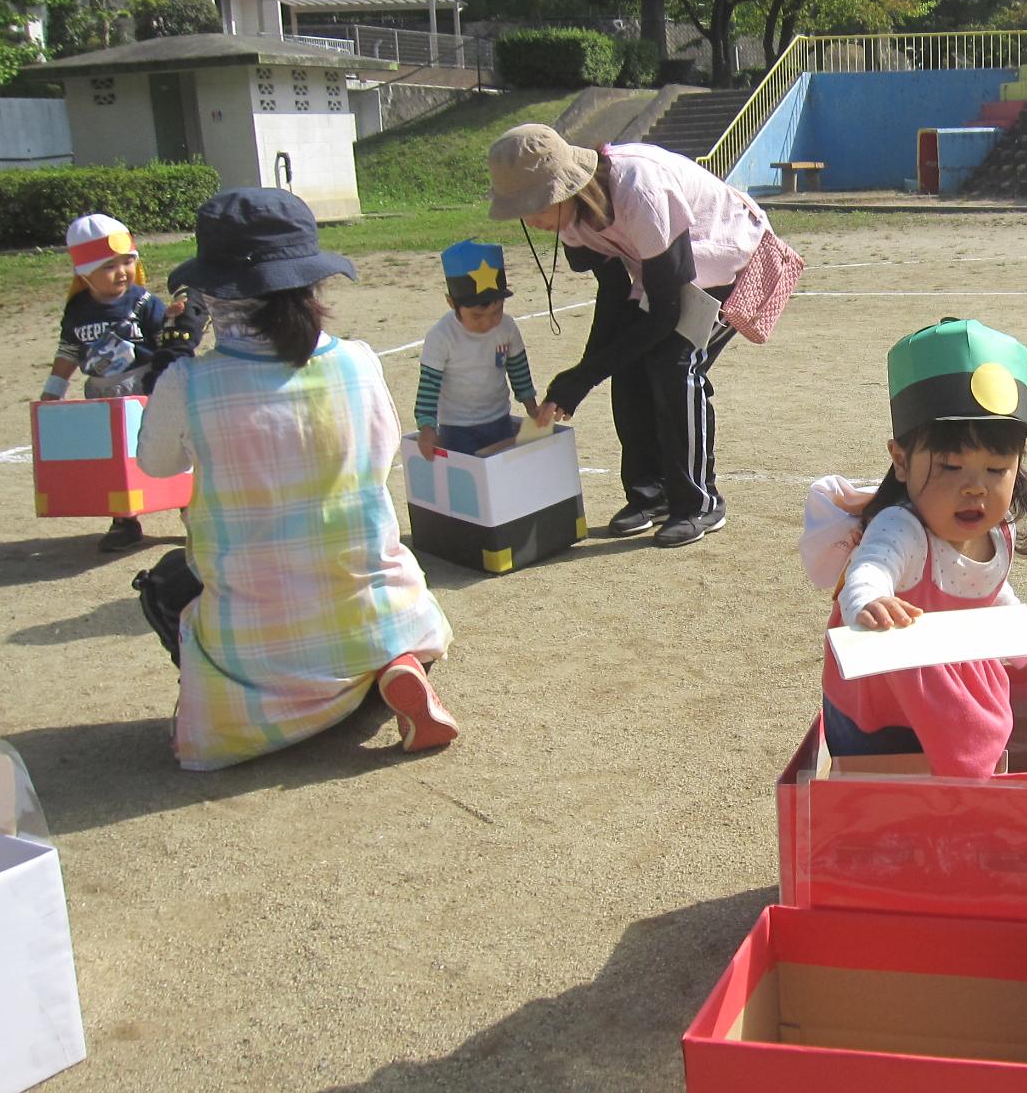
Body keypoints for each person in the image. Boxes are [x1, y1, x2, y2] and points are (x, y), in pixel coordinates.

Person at [135, 188, 457, 770]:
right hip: (386, 613)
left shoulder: (191, 382)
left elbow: (157, 467)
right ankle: (389, 671)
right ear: (312, 285)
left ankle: (245, 707)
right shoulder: (358, 360)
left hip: (264, 639)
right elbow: (381, 450)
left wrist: (171, 362)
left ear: (214, 294)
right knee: (361, 601)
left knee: (165, 584)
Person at [800, 318, 1027, 779]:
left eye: (996, 469)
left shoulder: (998, 532)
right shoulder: (903, 529)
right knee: (881, 788)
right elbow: (870, 568)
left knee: (945, 786)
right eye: (950, 466)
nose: (974, 489)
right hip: (880, 699)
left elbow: (991, 593)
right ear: (902, 461)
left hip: (947, 689)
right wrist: (870, 600)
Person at [487, 125, 765, 548]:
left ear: (566, 187)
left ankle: (699, 502)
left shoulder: (639, 190)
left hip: (730, 257)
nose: (532, 219)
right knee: (630, 366)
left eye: (536, 205)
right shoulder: (572, 219)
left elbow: (666, 312)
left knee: (674, 363)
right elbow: (615, 294)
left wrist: (583, 377)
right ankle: (650, 493)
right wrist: (580, 374)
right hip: (662, 273)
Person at [40, 214, 183, 552]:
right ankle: (124, 520)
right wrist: (54, 389)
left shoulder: (144, 303)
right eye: (109, 266)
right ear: (84, 273)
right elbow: (70, 350)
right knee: (116, 462)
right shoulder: (77, 310)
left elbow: (167, 342)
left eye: (127, 262)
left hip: (145, 392)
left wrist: (175, 319)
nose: (122, 271)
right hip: (102, 396)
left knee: (167, 447)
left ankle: (188, 506)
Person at [414, 239, 550, 458]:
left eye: (497, 311)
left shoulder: (507, 327)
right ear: (451, 303)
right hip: (457, 428)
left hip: (499, 419)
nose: (487, 323)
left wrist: (532, 408)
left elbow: (519, 371)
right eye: (477, 316)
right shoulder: (441, 336)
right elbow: (429, 386)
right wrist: (427, 427)